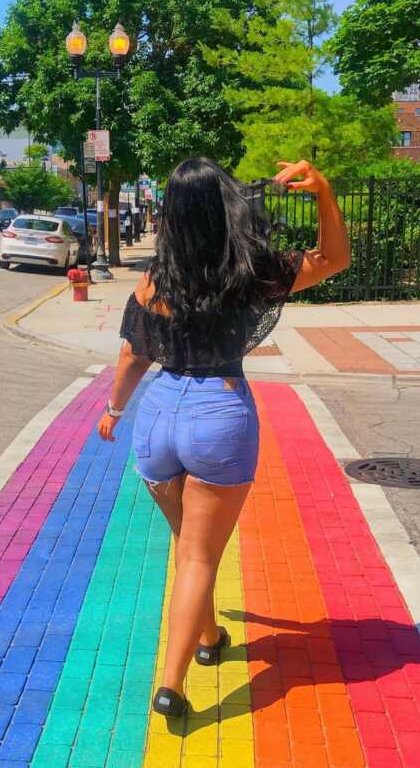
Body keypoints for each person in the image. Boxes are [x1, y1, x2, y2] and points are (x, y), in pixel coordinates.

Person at [97, 156, 350, 716]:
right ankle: (171, 685)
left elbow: (132, 352)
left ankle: (209, 638)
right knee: (199, 559)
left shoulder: (152, 279)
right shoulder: (250, 271)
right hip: (219, 413)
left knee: (191, 546)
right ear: (225, 206)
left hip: (159, 415)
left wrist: (114, 408)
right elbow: (334, 259)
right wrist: (324, 193)